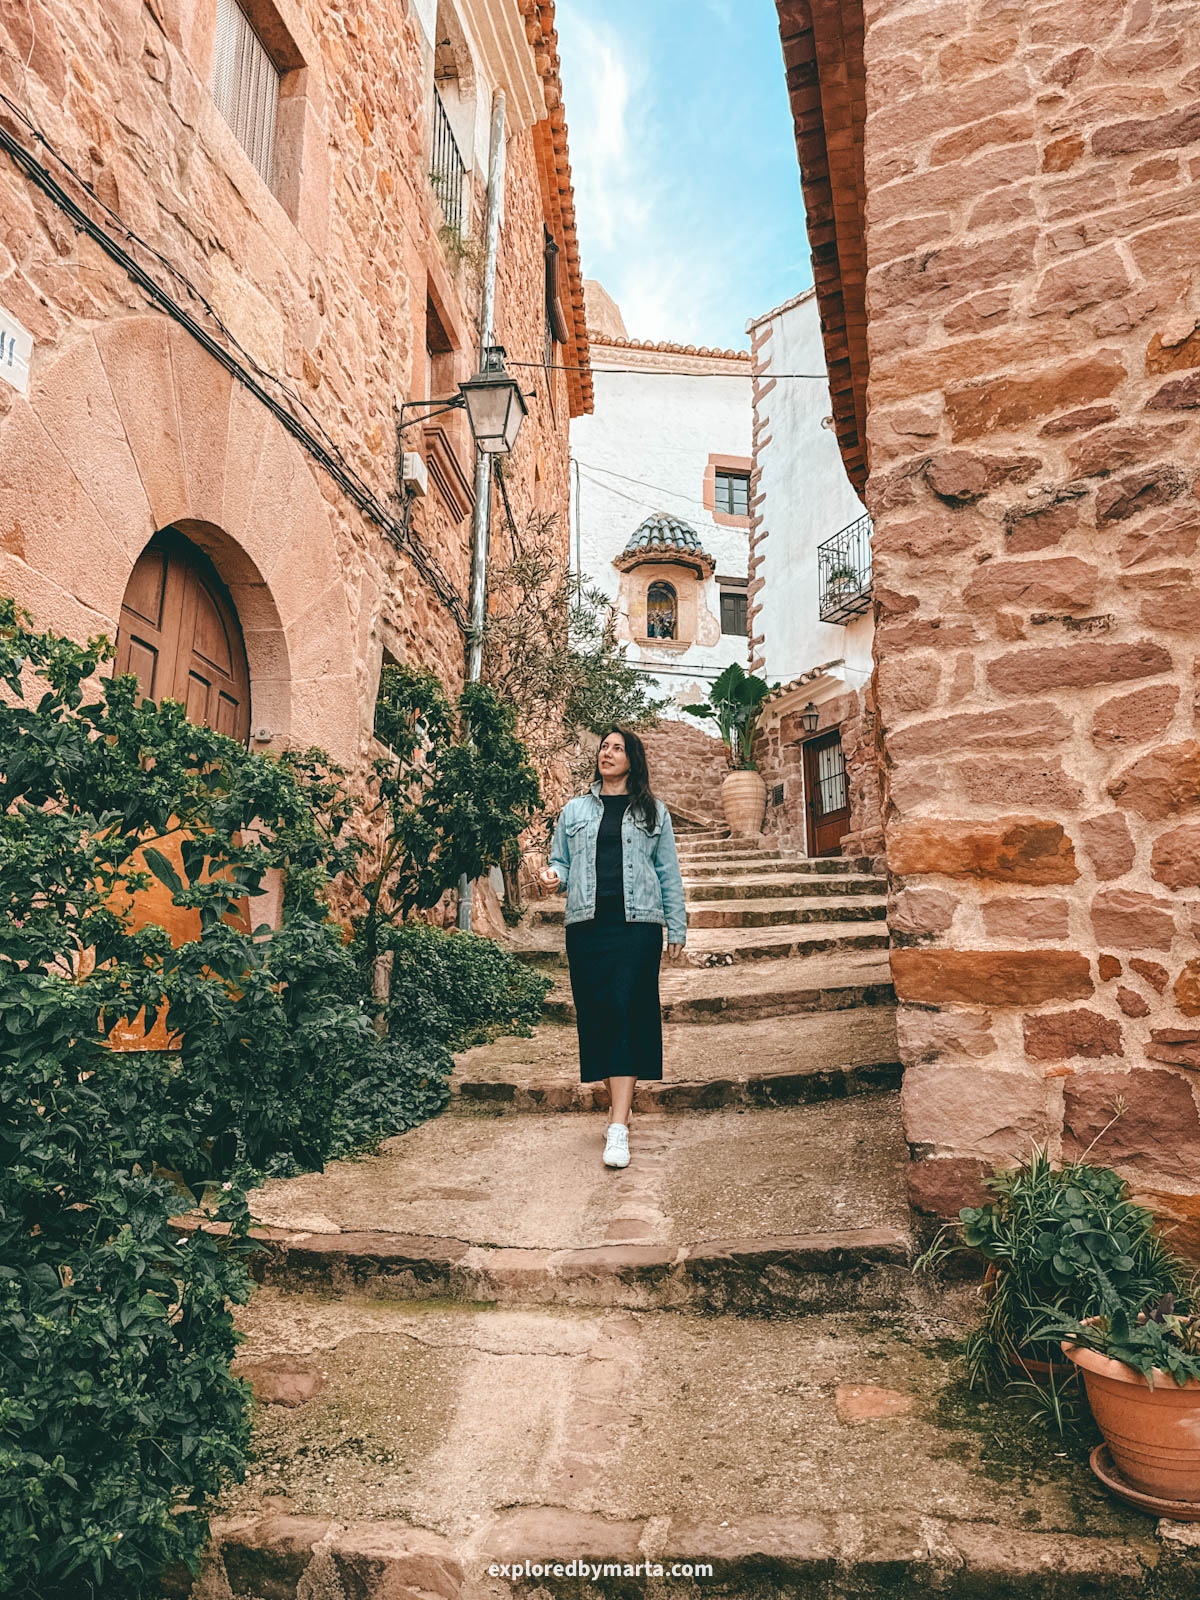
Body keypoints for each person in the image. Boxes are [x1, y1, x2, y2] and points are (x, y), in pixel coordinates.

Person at [539, 727, 687, 1168]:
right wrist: (552, 876)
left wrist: (676, 927)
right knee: (599, 1017)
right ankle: (617, 1108)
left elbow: (668, 872)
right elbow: (559, 861)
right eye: (604, 746)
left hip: (637, 927)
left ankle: (618, 1125)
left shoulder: (653, 812)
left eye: (618, 748)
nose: (608, 752)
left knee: (627, 1013)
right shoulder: (575, 810)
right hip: (586, 926)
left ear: (632, 759)